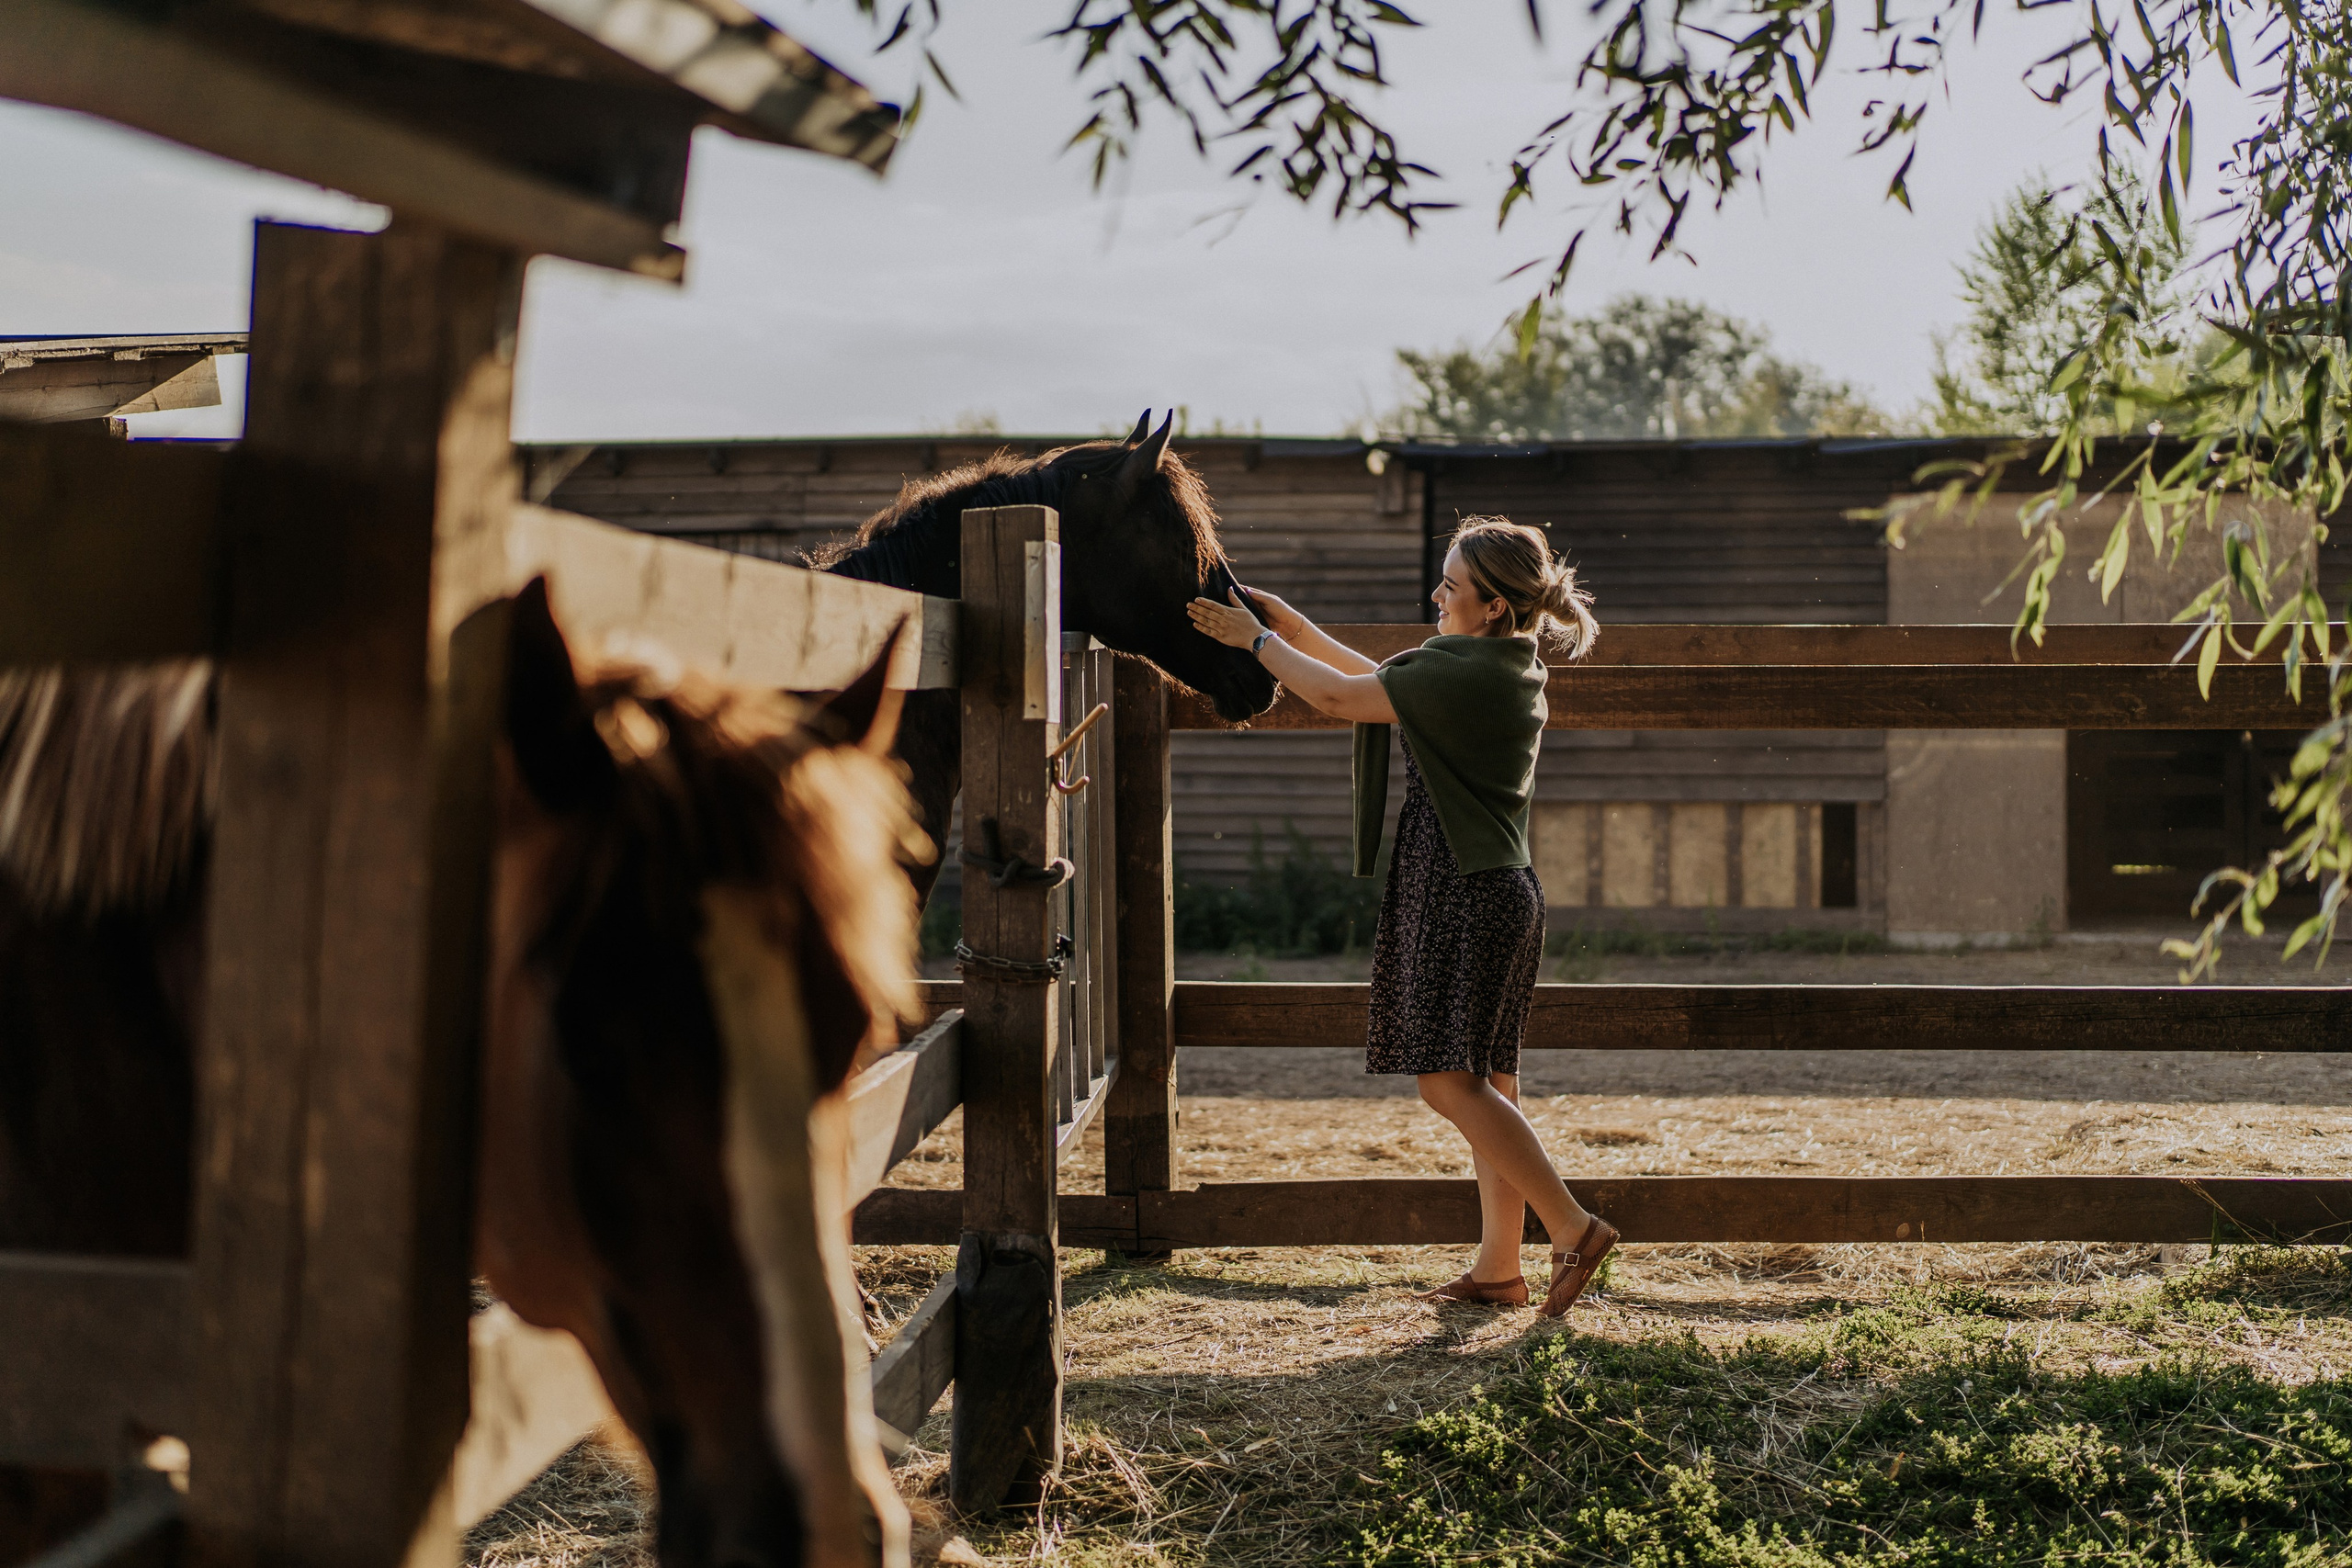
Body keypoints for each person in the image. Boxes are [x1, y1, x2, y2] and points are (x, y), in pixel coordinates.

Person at [1187, 517, 1612, 1315]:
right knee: (1491, 1086)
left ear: (1490, 606)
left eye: (1450, 585)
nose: (1437, 595)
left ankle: (1574, 1228)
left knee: (1448, 1083)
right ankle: (1497, 1270)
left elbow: (1342, 696)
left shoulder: (1467, 669)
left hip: (1466, 890)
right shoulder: (1501, 663)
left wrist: (1254, 643)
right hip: (1499, 890)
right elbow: (1388, 681)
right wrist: (1294, 627)